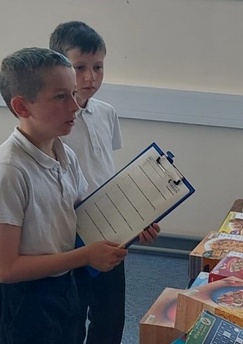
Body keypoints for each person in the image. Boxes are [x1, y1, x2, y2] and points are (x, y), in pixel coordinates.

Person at [0, 47, 128, 344]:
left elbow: (86, 213)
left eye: (73, 94)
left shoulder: (64, 153)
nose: (75, 106)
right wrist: (85, 256)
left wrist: (135, 223)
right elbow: (6, 269)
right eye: (61, 97)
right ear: (22, 107)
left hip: (65, 285)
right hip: (26, 300)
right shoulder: (10, 171)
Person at [49, 21, 160, 344]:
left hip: (111, 235)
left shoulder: (107, 113)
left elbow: (106, 173)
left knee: (110, 317)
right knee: (71, 317)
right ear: (59, 67)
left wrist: (139, 217)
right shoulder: (54, 121)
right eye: (79, 67)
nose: (90, 78)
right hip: (69, 237)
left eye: (98, 67)